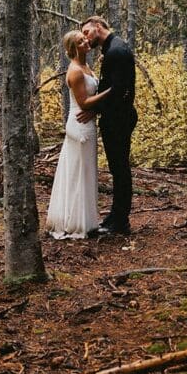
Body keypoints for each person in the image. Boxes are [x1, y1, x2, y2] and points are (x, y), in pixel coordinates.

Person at [45, 30, 112, 240]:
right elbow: (83, 102)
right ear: (73, 48)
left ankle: (87, 219)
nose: (86, 41)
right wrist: (111, 91)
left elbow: (90, 99)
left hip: (88, 121)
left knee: (86, 170)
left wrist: (96, 109)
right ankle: (75, 222)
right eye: (81, 41)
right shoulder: (74, 70)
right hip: (79, 124)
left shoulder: (86, 66)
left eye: (85, 39)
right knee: (78, 171)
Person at [77, 16, 138, 236]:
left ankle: (121, 222)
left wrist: (96, 109)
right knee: (117, 169)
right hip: (115, 117)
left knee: (120, 169)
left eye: (86, 31)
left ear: (99, 26)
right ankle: (116, 215)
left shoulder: (116, 51)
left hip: (119, 119)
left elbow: (118, 90)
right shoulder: (112, 49)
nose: (85, 37)